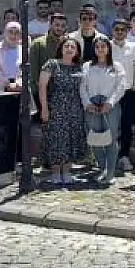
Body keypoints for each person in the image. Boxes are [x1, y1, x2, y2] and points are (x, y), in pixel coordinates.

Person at [38, 37, 87, 185]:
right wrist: (44, 108)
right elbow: (42, 86)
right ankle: (55, 173)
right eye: (67, 46)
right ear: (61, 48)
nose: (70, 49)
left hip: (75, 110)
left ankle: (66, 172)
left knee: (71, 140)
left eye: (73, 47)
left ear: (77, 51)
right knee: (56, 141)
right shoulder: (52, 64)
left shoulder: (79, 67)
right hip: (56, 109)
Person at [79, 36, 127, 184]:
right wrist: (87, 103)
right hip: (92, 105)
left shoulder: (116, 66)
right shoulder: (87, 66)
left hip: (109, 105)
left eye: (103, 46)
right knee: (95, 138)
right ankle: (102, 168)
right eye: (97, 47)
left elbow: (121, 86)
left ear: (108, 48)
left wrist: (110, 103)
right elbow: (82, 86)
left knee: (110, 138)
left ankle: (111, 172)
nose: (100, 49)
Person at [109, 19, 135, 174]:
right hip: (111, 90)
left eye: (123, 29)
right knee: (111, 124)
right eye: (117, 29)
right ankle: (110, 157)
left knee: (127, 125)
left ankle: (124, 155)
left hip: (129, 91)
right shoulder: (107, 46)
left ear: (127, 31)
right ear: (112, 31)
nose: (120, 32)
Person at [28, 13, 68, 124]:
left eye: (63, 25)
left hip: (64, 95)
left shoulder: (69, 44)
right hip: (43, 94)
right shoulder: (38, 44)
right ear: (50, 25)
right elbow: (34, 74)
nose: (59, 28)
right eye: (57, 25)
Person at [0, 22, 24, 93]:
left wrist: (19, 84)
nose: (13, 35)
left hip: (20, 91)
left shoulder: (24, 50)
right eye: (10, 32)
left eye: (16, 32)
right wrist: (11, 85)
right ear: (5, 33)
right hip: (1, 92)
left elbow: (27, 72)